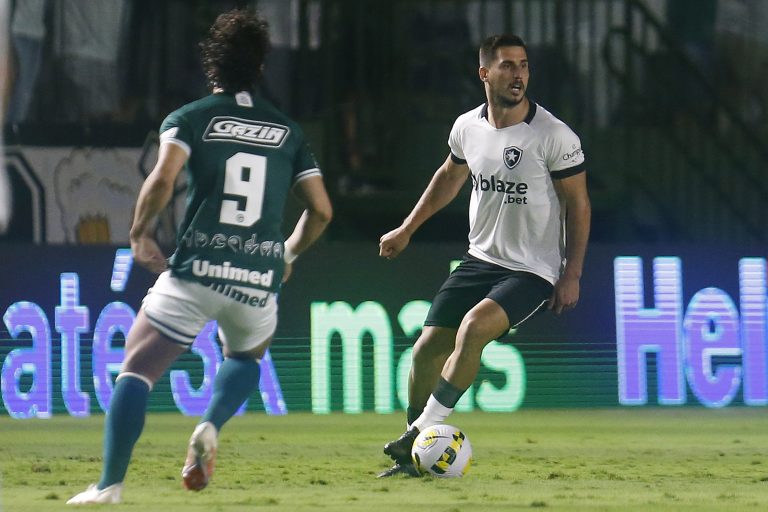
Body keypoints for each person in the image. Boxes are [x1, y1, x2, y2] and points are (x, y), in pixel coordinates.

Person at [67, 9, 332, 504]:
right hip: (256, 278)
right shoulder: (288, 131)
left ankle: (109, 486)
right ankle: (210, 424)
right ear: (260, 67)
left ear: (212, 66)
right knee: (247, 355)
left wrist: (141, 231)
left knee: (136, 371)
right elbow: (321, 210)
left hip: (196, 269)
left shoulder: (190, 117)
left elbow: (164, 178)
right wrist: (288, 254)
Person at [377, 34, 590, 478]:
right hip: (479, 261)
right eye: (508, 65)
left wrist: (572, 272)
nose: (518, 75)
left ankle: (421, 433)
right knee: (423, 353)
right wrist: (407, 229)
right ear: (484, 73)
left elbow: (579, 204)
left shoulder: (553, 135)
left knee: (472, 329)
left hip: (532, 271)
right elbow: (449, 178)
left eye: (524, 65)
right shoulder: (466, 127)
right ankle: (415, 451)